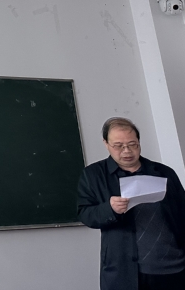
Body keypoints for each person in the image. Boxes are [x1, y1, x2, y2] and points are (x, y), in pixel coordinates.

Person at [78, 117, 185, 290]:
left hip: (173, 268)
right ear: (106, 144)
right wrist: (109, 209)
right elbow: (85, 214)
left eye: (132, 144)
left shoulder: (163, 172)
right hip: (125, 271)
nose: (126, 151)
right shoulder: (94, 175)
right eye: (118, 146)